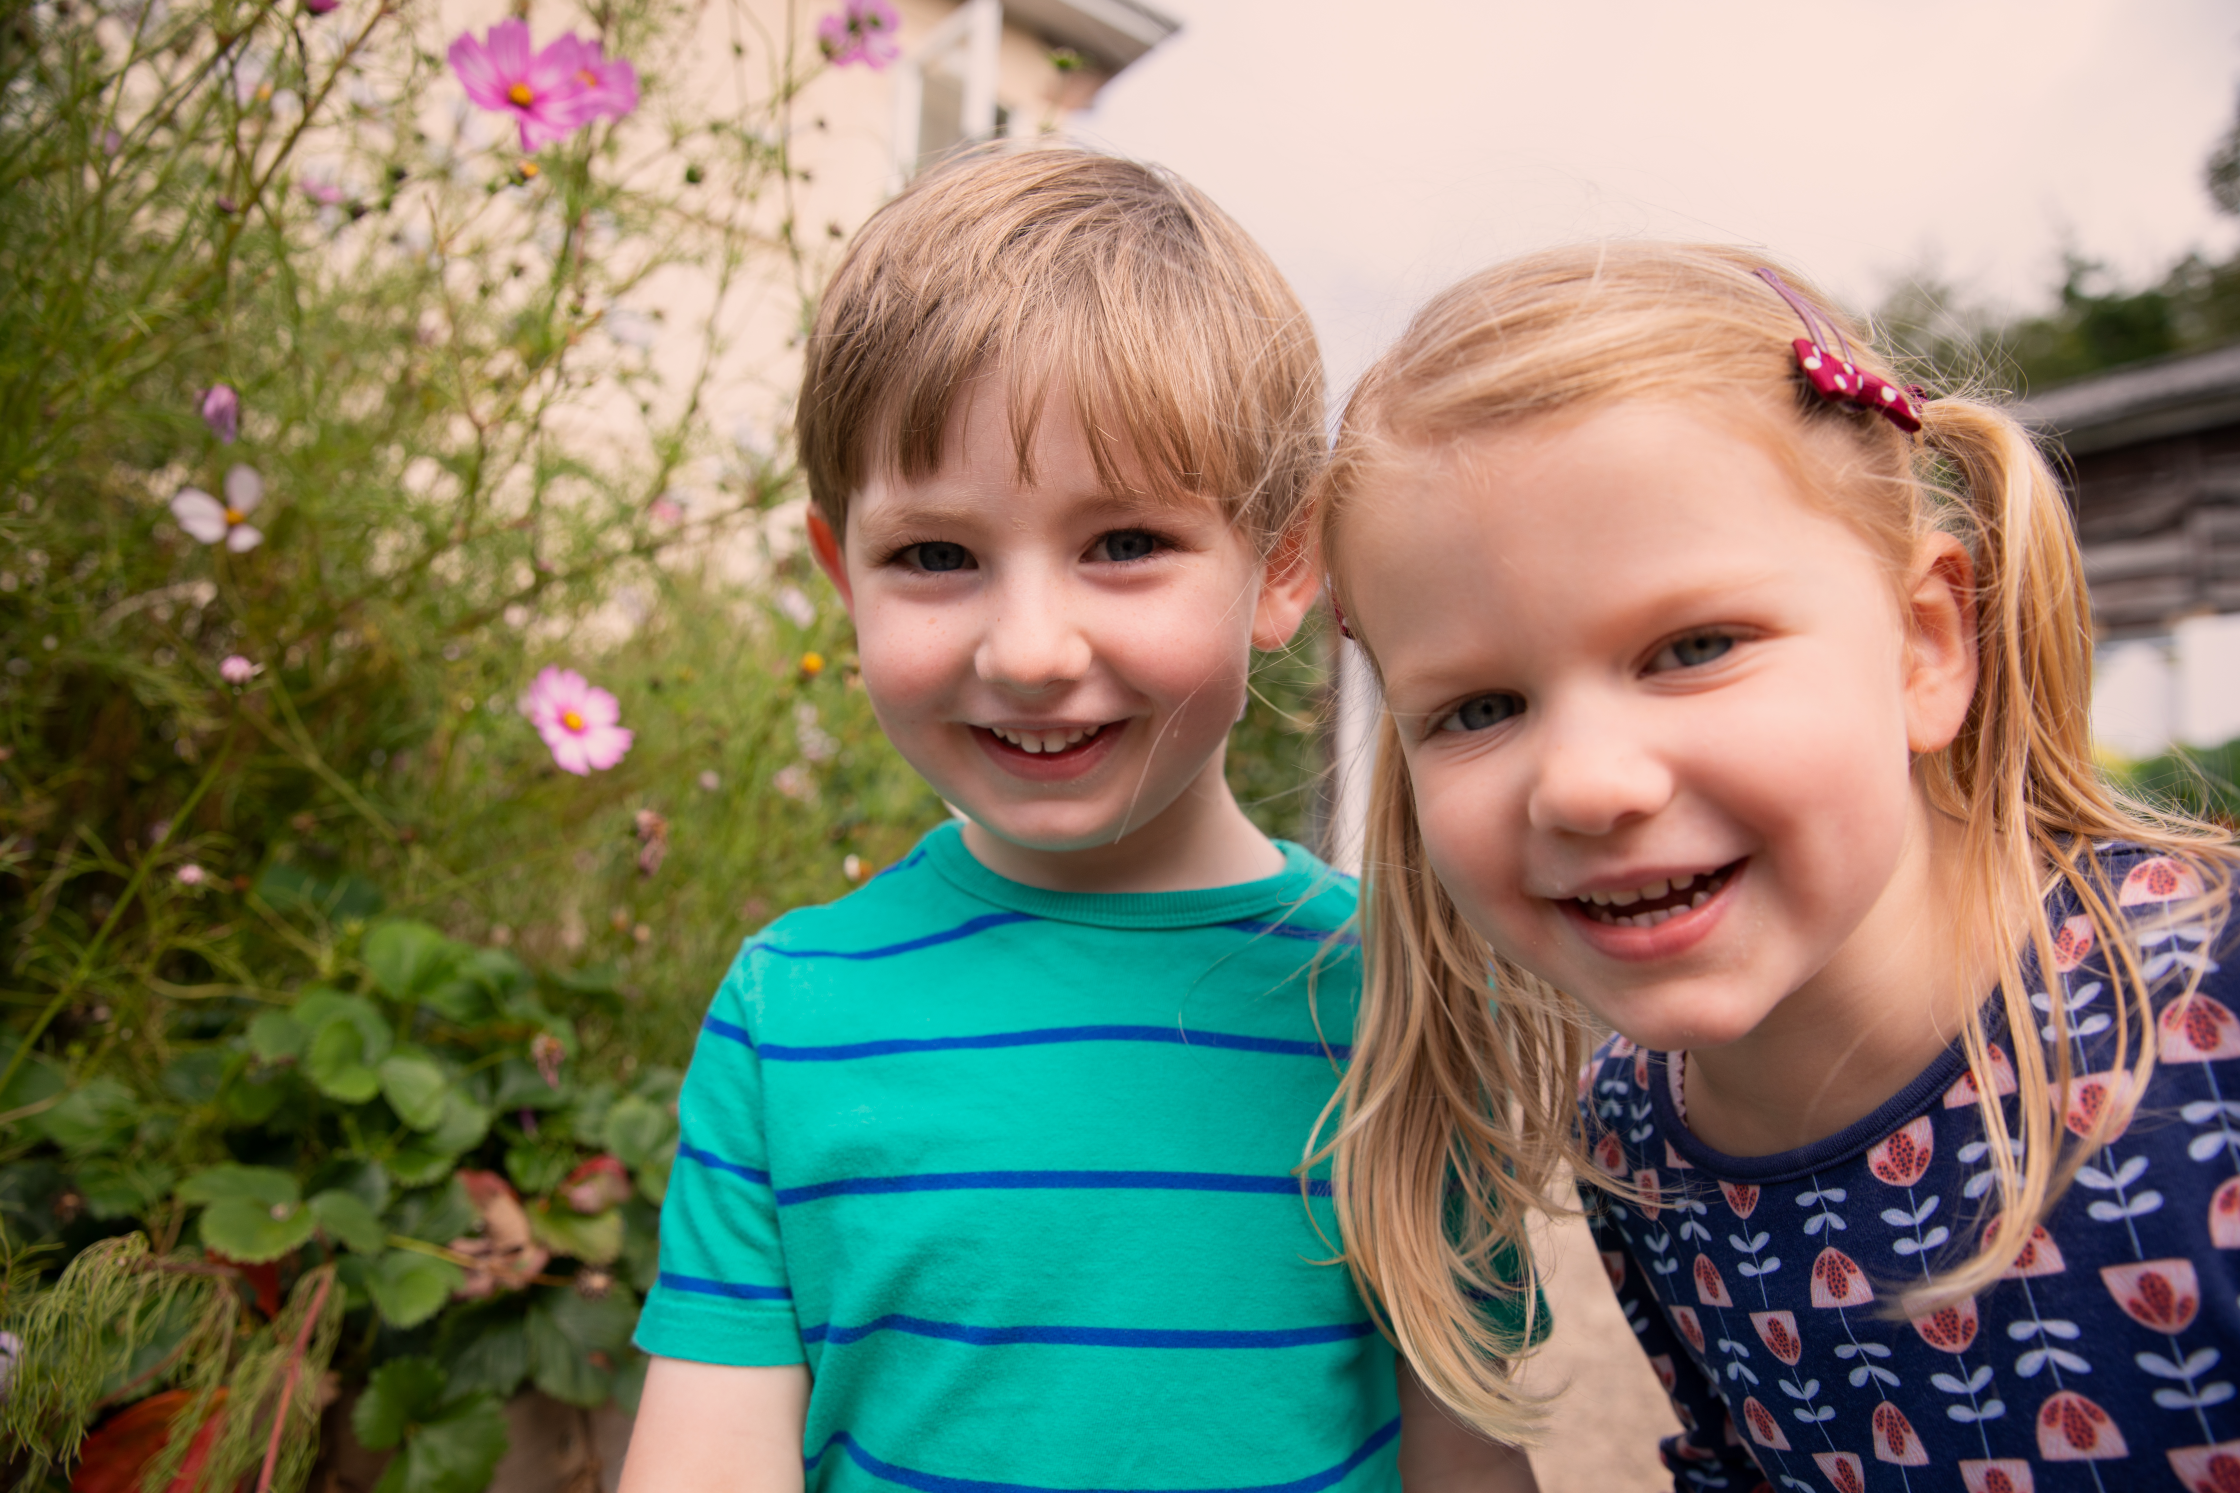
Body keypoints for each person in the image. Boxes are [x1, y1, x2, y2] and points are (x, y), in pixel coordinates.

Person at [619, 148, 1545, 1493]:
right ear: (844, 573)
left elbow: (1463, 1452)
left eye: (1124, 544)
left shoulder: (1395, 997)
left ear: (1283, 564)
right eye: (935, 555)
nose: (1033, 649)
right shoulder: (789, 1013)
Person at [1311, 241, 2240, 1491]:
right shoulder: (1636, 1141)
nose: (1586, 782)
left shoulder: (2204, 1023)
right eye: (1475, 708)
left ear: (1923, 644)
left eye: (1691, 645)